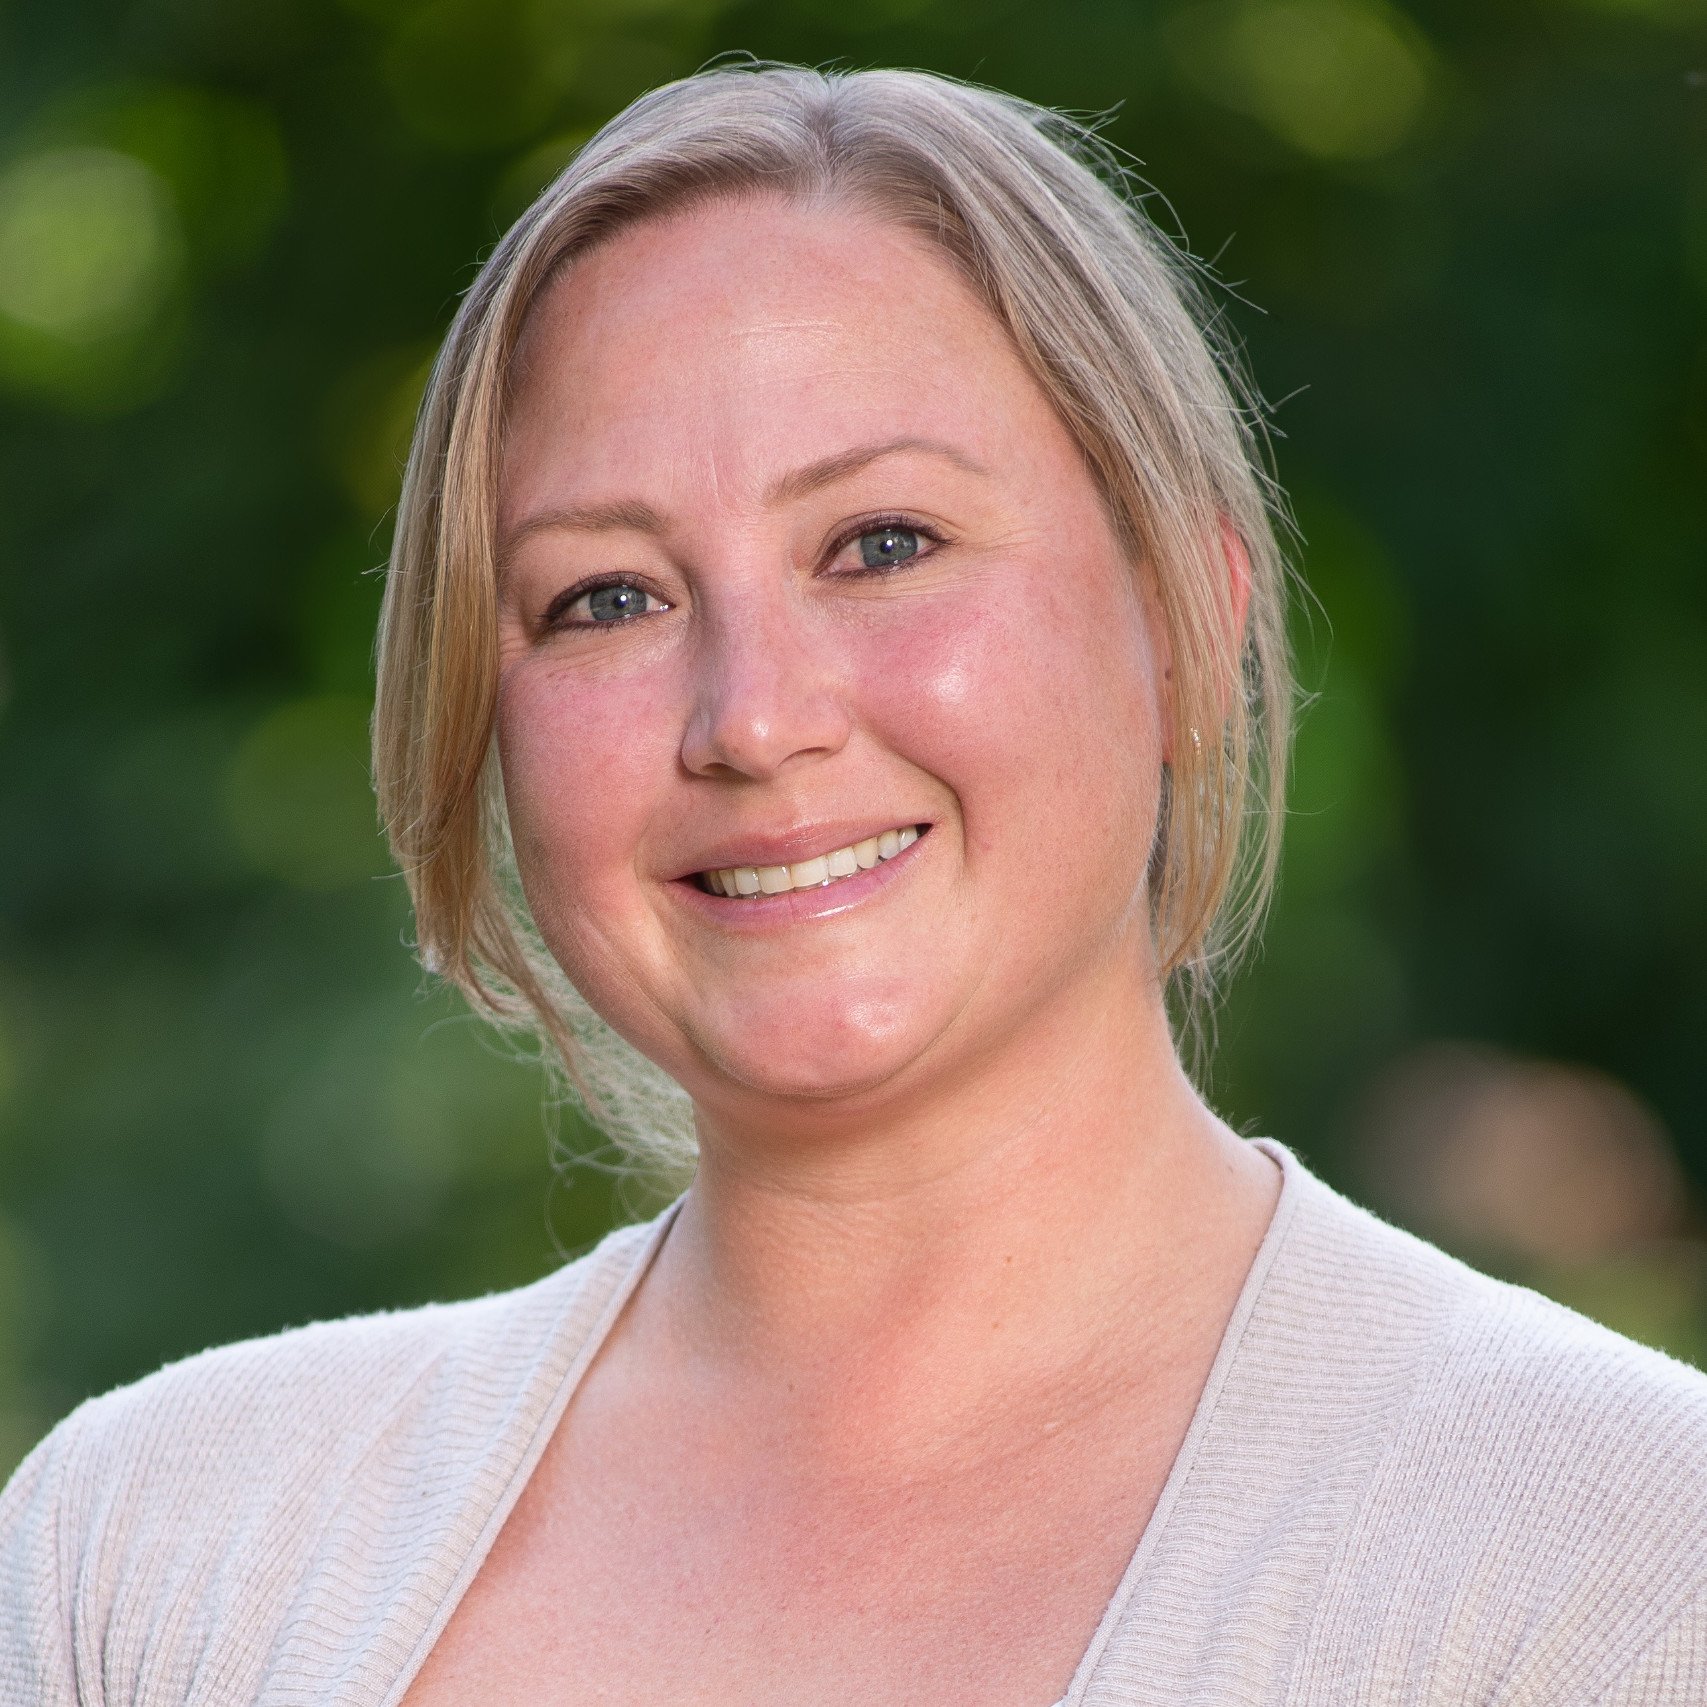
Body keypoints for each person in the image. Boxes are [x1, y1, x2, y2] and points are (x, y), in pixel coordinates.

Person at [3, 63, 1704, 1707]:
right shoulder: (148, 1559)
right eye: (604, 597)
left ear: (1187, 614)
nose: (751, 718)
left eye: (882, 545)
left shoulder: (1618, 1564)